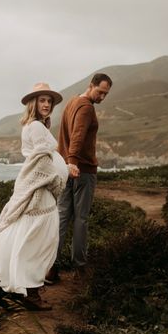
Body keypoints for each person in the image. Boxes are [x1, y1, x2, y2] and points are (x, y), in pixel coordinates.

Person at [0, 82, 70, 311]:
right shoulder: (35, 126)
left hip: (39, 188)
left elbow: (43, 158)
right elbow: (41, 162)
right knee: (39, 238)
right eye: (42, 100)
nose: (46, 104)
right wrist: (58, 182)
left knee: (31, 235)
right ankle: (29, 291)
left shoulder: (36, 125)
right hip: (41, 189)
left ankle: (23, 286)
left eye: (49, 101)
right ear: (33, 103)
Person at [46, 73, 112, 282]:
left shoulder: (72, 102)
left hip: (66, 169)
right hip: (81, 170)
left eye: (106, 94)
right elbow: (78, 135)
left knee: (62, 217)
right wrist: (74, 161)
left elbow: (65, 134)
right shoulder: (86, 107)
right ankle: (80, 268)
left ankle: (51, 268)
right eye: (100, 92)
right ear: (90, 85)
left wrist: (67, 164)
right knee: (81, 220)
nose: (102, 97)